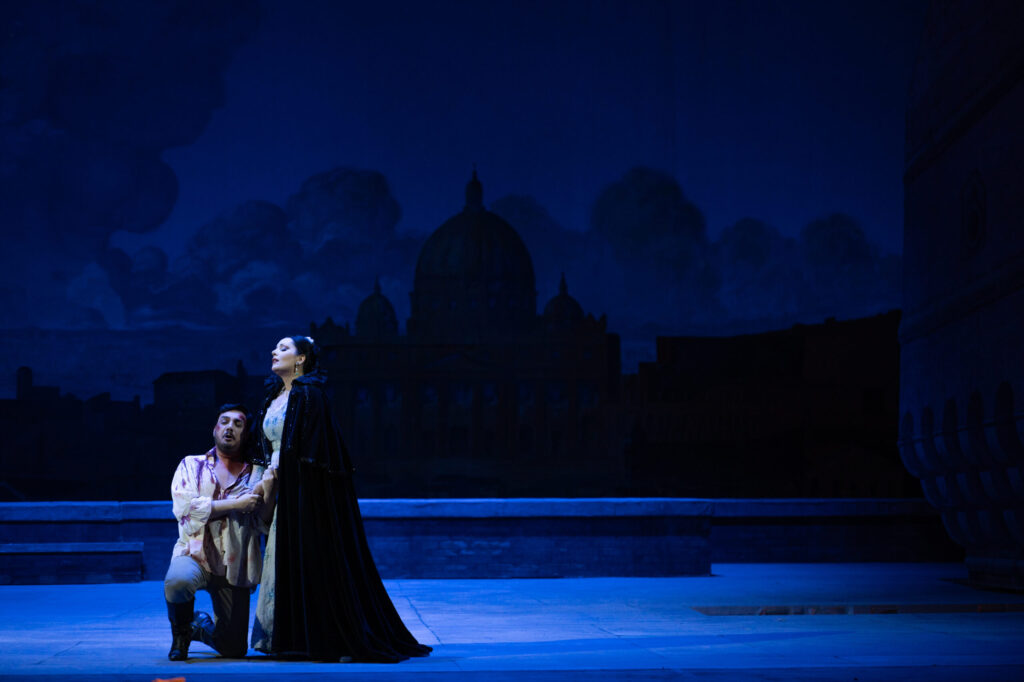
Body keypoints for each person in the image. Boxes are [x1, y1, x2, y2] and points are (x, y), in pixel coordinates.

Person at [250, 335, 431, 662]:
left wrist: (284, 478)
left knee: (310, 558)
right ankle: (288, 637)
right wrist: (261, 484)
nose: (274, 351)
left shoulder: (310, 395)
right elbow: (264, 448)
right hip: (277, 488)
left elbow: (313, 450)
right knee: (279, 558)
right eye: (274, 347)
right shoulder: (274, 397)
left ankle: (323, 637)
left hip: (303, 491)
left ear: (301, 359)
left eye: (284, 348)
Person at [163, 403, 276, 661]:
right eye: (224, 422)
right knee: (178, 581)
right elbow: (186, 510)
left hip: (234, 566)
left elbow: (262, 523)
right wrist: (236, 504)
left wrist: (270, 491)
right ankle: (180, 637)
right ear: (215, 429)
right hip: (194, 555)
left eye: (238, 424)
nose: (229, 428)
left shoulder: (256, 473)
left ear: (245, 434)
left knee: (234, 649)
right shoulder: (191, 465)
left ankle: (199, 626)